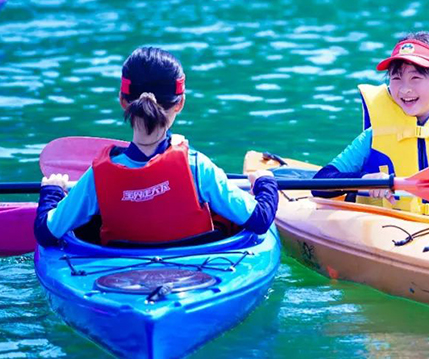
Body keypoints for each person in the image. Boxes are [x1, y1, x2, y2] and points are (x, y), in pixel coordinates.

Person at [34, 47, 278, 246]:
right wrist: (265, 183)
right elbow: (259, 220)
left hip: (119, 281)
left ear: (123, 101)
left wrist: (52, 192)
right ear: (180, 103)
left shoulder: (96, 178)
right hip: (196, 277)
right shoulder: (198, 167)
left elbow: (46, 233)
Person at [312, 32, 429, 218]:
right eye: (396, 78)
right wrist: (364, 180)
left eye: (415, 78)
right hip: (386, 231)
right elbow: (321, 184)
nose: (405, 89)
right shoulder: (373, 136)